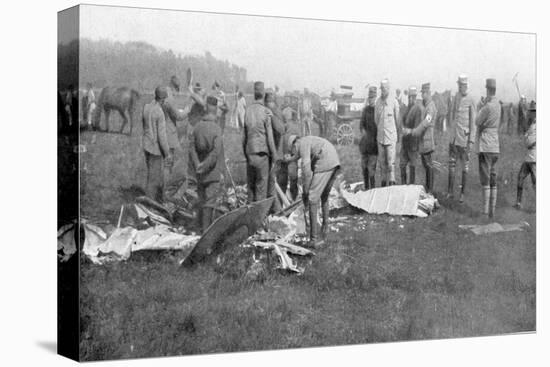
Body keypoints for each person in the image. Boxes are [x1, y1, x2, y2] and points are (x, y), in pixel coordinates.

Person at [285, 135, 340, 248]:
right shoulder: (307, 141)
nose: (294, 154)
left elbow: (306, 169)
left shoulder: (301, 144)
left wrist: (306, 191)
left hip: (325, 162)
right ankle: (325, 227)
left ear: (294, 145)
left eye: (292, 151)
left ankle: (313, 239)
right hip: (333, 160)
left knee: (312, 199)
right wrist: (290, 159)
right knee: (324, 196)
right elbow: (298, 156)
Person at [190, 96, 224, 233]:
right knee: (209, 203)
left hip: (199, 172)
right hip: (212, 172)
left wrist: (198, 164)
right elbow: (215, 153)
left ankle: (198, 228)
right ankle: (206, 233)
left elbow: (191, 148)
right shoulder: (216, 129)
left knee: (201, 199)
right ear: (215, 110)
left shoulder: (197, 127)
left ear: (205, 109)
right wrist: (205, 165)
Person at [243, 81, 279, 204]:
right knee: (261, 191)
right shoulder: (265, 112)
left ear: (254, 94)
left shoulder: (247, 111)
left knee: (250, 190)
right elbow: (270, 138)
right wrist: (274, 156)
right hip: (262, 155)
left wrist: (246, 155)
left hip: (250, 154)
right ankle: (259, 220)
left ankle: (249, 219)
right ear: (263, 94)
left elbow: (244, 137)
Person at [446, 75, 477, 202]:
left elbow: (473, 122)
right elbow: (451, 114)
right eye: (459, 85)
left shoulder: (471, 99)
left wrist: (471, 140)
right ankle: (450, 192)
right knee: (452, 165)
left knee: (465, 166)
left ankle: (462, 194)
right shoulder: (456, 97)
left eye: (462, 85)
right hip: (454, 138)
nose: (460, 87)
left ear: (466, 86)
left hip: (464, 139)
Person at [162, 75, 192, 202]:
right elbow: (179, 116)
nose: (177, 94)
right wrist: (188, 108)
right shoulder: (169, 98)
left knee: (167, 164)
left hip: (164, 133)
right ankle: (164, 193)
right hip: (168, 135)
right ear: (174, 87)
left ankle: (163, 191)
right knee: (168, 165)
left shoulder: (164, 97)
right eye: (177, 90)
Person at [403, 83, 437, 193]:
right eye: (422, 93)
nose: (422, 95)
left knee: (428, 165)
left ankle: (430, 190)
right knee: (426, 165)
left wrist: (412, 131)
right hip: (422, 142)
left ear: (428, 93)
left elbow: (424, 124)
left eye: (424, 93)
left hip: (427, 141)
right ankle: (428, 188)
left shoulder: (431, 108)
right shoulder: (424, 105)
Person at [475, 78, 501, 218]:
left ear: (488, 90)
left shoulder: (487, 106)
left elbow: (477, 121)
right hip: (496, 145)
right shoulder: (498, 105)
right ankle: (493, 211)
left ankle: (485, 212)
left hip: (486, 144)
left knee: (485, 178)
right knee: (493, 177)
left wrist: (481, 105)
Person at [142, 86, 172, 203]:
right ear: (163, 99)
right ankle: (149, 204)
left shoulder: (146, 107)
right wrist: (167, 153)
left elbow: (144, 126)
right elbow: (162, 137)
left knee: (151, 174)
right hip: (155, 149)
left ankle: (150, 200)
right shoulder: (159, 112)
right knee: (153, 179)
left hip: (146, 145)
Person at [374, 79, 400, 186]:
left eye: (384, 89)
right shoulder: (378, 102)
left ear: (388, 89)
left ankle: (392, 184)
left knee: (391, 164)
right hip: (380, 138)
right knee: (382, 164)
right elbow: (376, 120)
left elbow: (397, 120)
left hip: (391, 138)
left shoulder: (394, 102)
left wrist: (393, 133)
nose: (382, 91)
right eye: (381, 89)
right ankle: (384, 185)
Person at [265, 90, 286, 213]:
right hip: (274, 152)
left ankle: (277, 210)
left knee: (272, 182)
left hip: (277, 153)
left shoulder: (275, 113)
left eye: (269, 102)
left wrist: (271, 117)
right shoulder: (272, 111)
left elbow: (281, 129)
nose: (267, 104)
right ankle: (277, 208)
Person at [399, 86, 424, 185]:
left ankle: (412, 188)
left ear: (415, 97)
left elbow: (418, 128)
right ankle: (403, 186)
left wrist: (409, 131)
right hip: (405, 142)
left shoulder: (418, 109)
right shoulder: (406, 108)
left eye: (412, 97)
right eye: (409, 97)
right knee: (402, 165)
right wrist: (402, 127)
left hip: (413, 143)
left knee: (412, 166)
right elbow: (403, 122)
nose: (410, 99)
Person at [279, 96, 301, 201]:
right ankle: (289, 197)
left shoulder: (291, 128)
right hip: (288, 157)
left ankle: (291, 197)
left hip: (289, 157)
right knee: (289, 178)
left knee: (290, 178)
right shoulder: (290, 127)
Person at [515, 101, 536, 210]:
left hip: (535, 159)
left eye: (533, 111)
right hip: (528, 158)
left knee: (536, 183)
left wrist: (527, 138)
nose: (531, 113)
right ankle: (518, 203)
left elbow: (530, 142)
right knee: (520, 178)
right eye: (531, 111)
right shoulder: (530, 124)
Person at [359, 86, 379, 190]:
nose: (371, 100)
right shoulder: (365, 110)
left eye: (373, 98)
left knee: (372, 169)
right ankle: (366, 188)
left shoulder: (378, 110)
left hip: (374, 145)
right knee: (364, 168)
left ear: (376, 98)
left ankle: (372, 190)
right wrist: (363, 132)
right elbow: (361, 124)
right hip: (365, 145)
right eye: (370, 98)